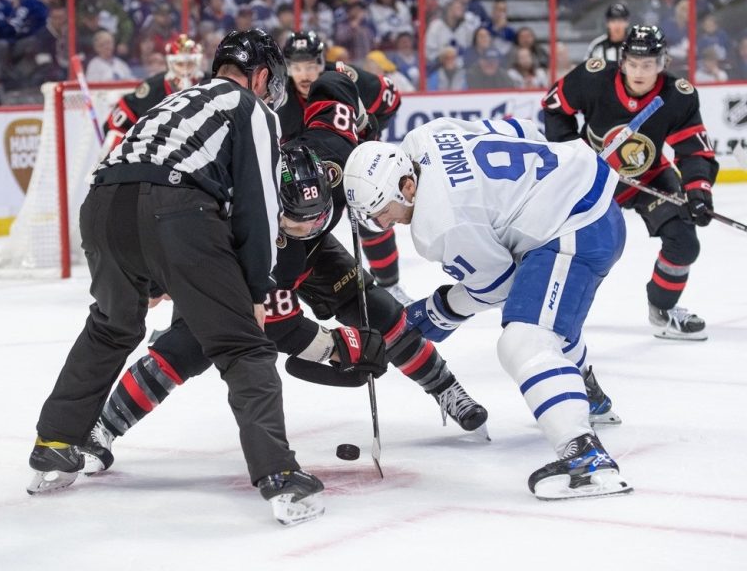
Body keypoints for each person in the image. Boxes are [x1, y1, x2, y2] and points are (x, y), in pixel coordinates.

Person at [82, 72, 489, 478]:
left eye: (317, 219)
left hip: (314, 257)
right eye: (294, 224)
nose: (307, 228)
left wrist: (364, 123)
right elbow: (280, 326)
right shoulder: (248, 231)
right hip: (242, 267)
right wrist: (334, 346)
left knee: (380, 310)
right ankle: (103, 428)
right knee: (187, 347)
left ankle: (448, 389)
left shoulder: (334, 152)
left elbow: (337, 84)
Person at [27, 28, 325, 527]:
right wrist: (255, 288)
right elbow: (257, 206)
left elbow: (132, 173)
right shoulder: (252, 108)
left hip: (102, 208)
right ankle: (279, 477)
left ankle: (53, 444)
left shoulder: (178, 99)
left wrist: (151, 273)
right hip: (173, 209)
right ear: (259, 75)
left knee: (111, 326)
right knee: (243, 346)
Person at [343, 116, 632, 500]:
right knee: (538, 311)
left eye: (382, 210)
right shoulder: (426, 137)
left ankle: (586, 458)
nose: (380, 223)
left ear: (407, 185)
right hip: (580, 196)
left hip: (575, 227)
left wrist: (437, 310)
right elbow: (522, 129)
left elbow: (499, 286)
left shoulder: (439, 224)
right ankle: (585, 393)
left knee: (524, 340)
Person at [543, 25, 719, 340]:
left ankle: (662, 311)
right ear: (623, 62)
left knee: (685, 242)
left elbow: (693, 150)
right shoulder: (593, 78)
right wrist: (571, 151)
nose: (640, 72)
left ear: (662, 63)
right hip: (592, 179)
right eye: (634, 64)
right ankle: (545, 314)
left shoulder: (678, 96)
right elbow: (555, 108)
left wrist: (698, 191)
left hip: (648, 176)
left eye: (648, 65)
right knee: (565, 249)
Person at [278, 30, 410, 303]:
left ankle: (391, 284)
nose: (304, 74)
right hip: (307, 179)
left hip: (353, 161)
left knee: (374, 215)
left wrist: (368, 134)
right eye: (296, 66)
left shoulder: (342, 78)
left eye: (311, 65)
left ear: (321, 60)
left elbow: (392, 98)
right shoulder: (277, 95)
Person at [103, 34, 204, 148]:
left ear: (197, 62)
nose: (185, 70)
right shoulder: (153, 87)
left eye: (190, 64)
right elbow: (116, 123)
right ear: (170, 63)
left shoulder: (210, 83)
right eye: (180, 64)